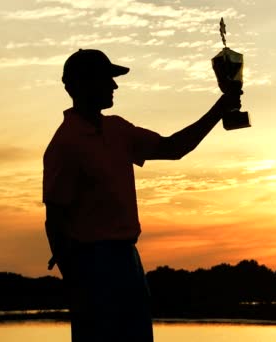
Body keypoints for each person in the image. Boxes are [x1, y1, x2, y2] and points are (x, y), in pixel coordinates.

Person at [42, 49, 242, 342]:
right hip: (93, 266)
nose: (114, 86)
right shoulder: (65, 144)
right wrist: (76, 280)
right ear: (81, 84)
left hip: (127, 260)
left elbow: (174, 148)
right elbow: (55, 220)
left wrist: (219, 110)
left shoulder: (118, 130)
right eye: (106, 79)